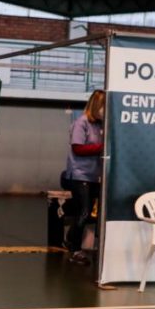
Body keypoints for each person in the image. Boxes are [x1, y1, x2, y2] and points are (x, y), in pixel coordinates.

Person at [64, 89, 105, 266]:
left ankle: (71, 239)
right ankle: (74, 249)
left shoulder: (100, 124)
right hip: (79, 174)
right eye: (103, 106)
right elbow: (78, 148)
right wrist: (102, 147)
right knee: (84, 211)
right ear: (97, 106)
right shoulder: (81, 123)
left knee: (88, 213)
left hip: (94, 175)